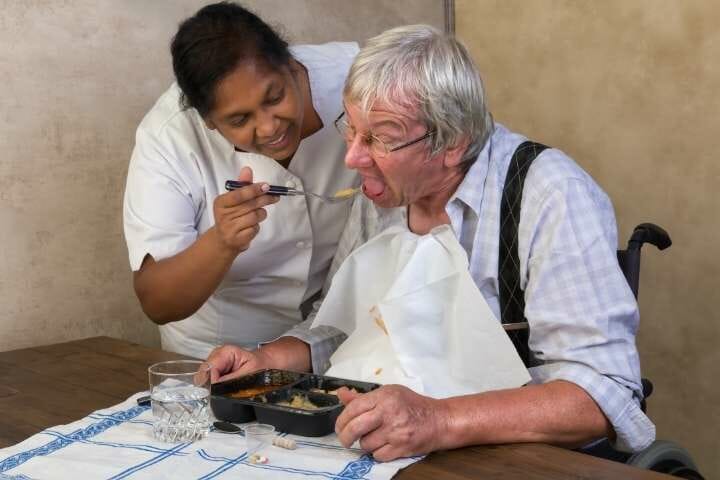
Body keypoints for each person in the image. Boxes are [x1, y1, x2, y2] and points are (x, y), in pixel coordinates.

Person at [205, 25, 655, 461]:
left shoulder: (551, 194)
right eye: (352, 129)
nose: (353, 157)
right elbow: (341, 330)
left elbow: (604, 394)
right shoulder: (382, 193)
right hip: (403, 448)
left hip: (525, 459)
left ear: (453, 142)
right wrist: (264, 363)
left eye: (380, 138)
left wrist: (438, 420)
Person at [123, 2, 359, 359]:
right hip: (215, 354)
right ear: (208, 122)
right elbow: (158, 300)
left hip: (331, 337)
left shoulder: (358, 80)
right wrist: (221, 241)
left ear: (293, 68)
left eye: (275, 97)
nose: (268, 127)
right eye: (238, 120)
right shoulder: (168, 136)